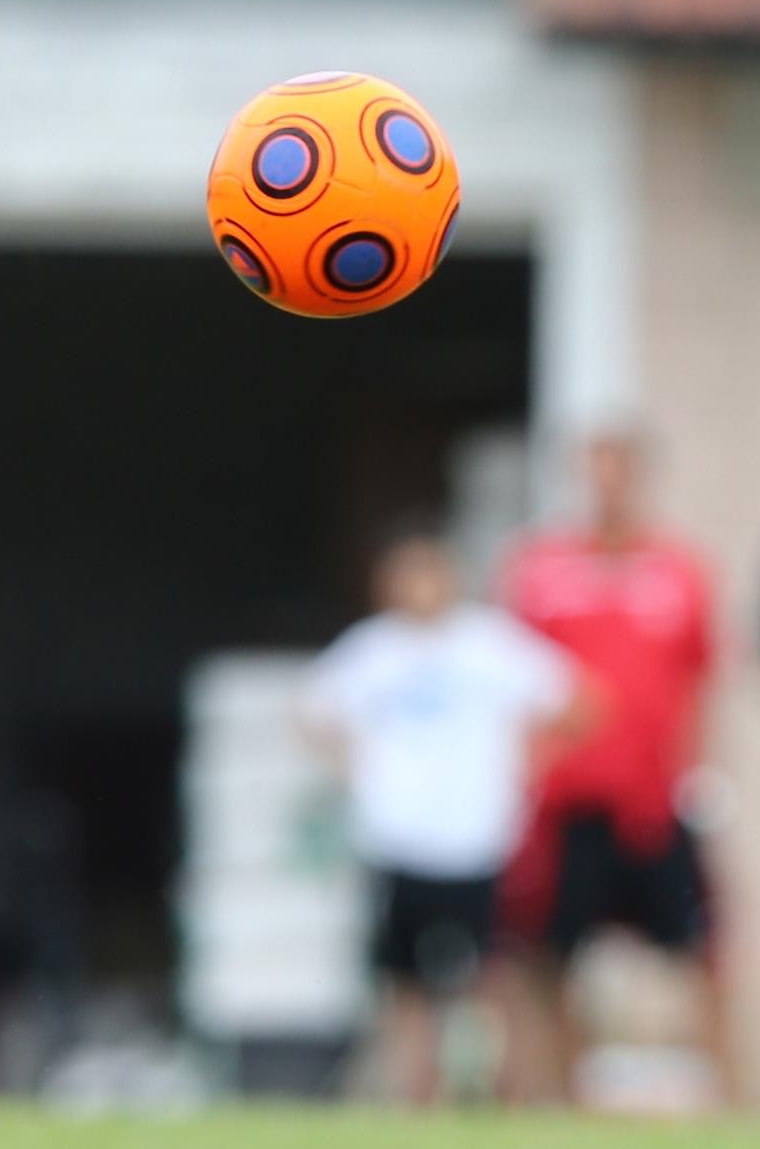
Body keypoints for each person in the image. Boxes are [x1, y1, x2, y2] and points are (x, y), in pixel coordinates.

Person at [303, 531, 579, 1105]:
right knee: (406, 985)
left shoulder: (489, 645)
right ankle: (416, 1097)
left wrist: (526, 770)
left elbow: (575, 702)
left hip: (476, 842)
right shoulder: (373, 650)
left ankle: (511, 1095)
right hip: (400, 843)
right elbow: (313, 712)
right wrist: (354, 772)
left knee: (494, 978)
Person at [498, 432, 731, 1102]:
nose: (609, 486)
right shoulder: (540, 572)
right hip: (570, 802)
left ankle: (727, 1097)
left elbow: (701, 683)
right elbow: (514, 686)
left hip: (655, 800)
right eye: (596, 472)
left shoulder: (679, 571)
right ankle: (558, 1097)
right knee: (547, 957)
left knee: (703, 951)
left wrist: (704, 778)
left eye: (621, 471)